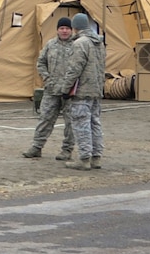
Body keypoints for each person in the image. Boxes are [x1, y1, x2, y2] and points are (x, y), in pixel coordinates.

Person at [24, 17, 80, 159]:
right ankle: (36, 147)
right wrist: (47, 78)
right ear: (57, 30)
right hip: (51, 89)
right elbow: (41, 63)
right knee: (45, 118)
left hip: (70, 91)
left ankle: (67, 150)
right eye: (62, 28)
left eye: (67, 28)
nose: (65, 31)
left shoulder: (77, 45)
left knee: (70, 122)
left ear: (71, 30)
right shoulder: (50, 45)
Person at [66, 12, 107, 170]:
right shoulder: (99, 43)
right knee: (95, 123)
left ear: (74, 27)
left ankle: (84, 159)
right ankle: (96, 157)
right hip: (96, 89)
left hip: (82, 90)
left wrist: (65, 88)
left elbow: (74, 69)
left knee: (81, 124)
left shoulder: (80, 43)